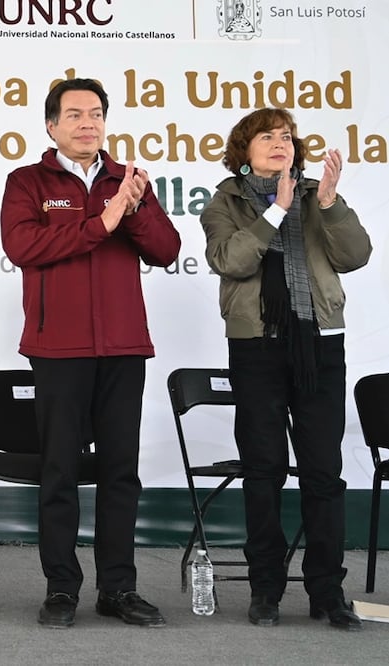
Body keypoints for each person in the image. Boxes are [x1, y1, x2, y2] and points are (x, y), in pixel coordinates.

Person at [0, 78, 180, 629]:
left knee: (121, 472)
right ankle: (61, 588)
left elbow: (167, 251)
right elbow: (23, 246)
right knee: (59, 470)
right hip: (58, 349)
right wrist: (99, 225)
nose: (88, 123)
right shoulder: (27, 181)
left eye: (96, 113)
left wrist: (136, 208)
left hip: (124, 347)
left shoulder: (127, 181)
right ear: (51, 125)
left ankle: (118, 588)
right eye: (74, 114)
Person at [200, 108, 371, 630]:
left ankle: (327, 592)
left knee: (324, 471)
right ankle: (266, 591)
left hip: (319, 342)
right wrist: (274, 211)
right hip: (257, 345)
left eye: (286, 137)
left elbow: (356, 255)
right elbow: (230, 260)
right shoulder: (225, 201)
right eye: (266, 137)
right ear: (244, 149)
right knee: (264, 469)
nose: (280, 144)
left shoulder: (318, 194)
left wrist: (330, 205)